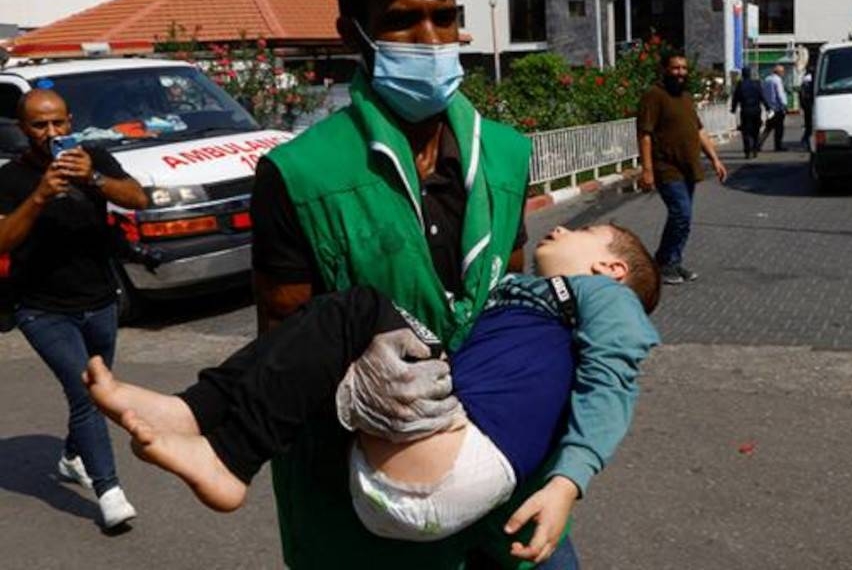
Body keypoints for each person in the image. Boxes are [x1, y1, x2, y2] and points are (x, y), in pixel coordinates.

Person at [248, 0, 581, 568]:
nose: (430, 39)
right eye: (402, 20)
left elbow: (512, 306)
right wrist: (347, 388)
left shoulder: (505, 153)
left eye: (443, 16)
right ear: (355, 35)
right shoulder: (299, 174)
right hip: (370, 503)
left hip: (496, 470)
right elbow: (280, 345)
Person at [86, 224, 660, 557]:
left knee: (356, 309)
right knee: (341, 332)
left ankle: (226, 452)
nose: (560, 228)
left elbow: (614, 375)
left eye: (581, 231)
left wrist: (569, 481)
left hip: (458, 461)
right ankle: (192, 412)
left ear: (610, 269)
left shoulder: (606, 299)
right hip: (409, 473)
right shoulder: (522, 296)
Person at [0, 89, 149, 530]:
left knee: (93, 391)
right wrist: (41, 195)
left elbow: (139, 199)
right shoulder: (11, 178)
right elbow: (4, 240)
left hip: (98, 300)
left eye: (60, 123)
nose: (53, 133)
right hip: (40, 308)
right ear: (24, 130)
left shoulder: (93, 158)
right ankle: (109, 492)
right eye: (40, 126)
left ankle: (70, 456)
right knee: (88, 390)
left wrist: (95, 180)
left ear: (70, 122)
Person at [637, 50, 728, 286]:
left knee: (684, 219)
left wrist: (715, 159)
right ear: (665, 69)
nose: (680, 73)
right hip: (666, 167)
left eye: (684, 68)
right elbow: (645, 134)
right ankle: (664, 262)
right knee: (681, 214)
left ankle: (673, 261)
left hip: (688, 167)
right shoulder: (654, 96)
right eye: (676, 68)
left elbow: (699, 131)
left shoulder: (686, 97)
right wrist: (647, 170)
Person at [730, 66, 768, 159]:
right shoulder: (756, 83)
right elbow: (762, 96)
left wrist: (733, 109)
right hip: (756, 110)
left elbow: (736, 98)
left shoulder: (740, 84)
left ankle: (747, 151)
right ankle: (755, 149)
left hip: (745, 110)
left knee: (746, 131)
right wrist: (768, 107)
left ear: (742, 74)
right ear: (750, 74)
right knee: (756, 130)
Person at [760, 64, 788, 152]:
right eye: (783, 72)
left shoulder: (767, 79)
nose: (783, 73)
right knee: (779, 128)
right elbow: (780, 94)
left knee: (768, 127)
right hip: (778, 108)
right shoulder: (777, 80)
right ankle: (778, 146)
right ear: (779, 72)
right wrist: (784, 105)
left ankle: (758, 144)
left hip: (769, 108)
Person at [799, 65, 815, 149]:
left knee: (808, 124)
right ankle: (807, 141)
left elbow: (801, 94)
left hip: (806, 105)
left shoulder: (805, 79)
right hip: (810, 105)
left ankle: (806, 140)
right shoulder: (810, 79)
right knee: (810, 125)